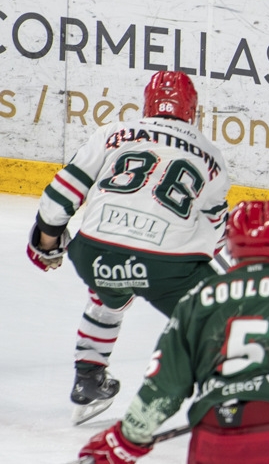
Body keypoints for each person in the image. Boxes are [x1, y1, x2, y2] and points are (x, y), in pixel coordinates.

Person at [77, 200, 269, 464]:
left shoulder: (198, 297)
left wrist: (127, 438)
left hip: (215, 438)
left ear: (229, 245)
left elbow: (167, 385)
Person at [26, 70, 231, 424]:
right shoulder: (211, 157)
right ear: (192, 111)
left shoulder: (113, 133)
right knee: (223, 320)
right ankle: (236, 401)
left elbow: (62, 192)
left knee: (110, 286)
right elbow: (212, 234)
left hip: (93, 253)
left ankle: (88, 377)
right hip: (164, 263)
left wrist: (47, 243)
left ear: (147, 104)